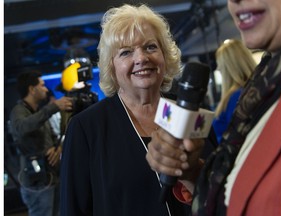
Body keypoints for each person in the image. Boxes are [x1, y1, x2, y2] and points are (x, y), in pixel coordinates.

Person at [146, 0, 281, 215]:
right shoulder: (264, 82)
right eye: (125, 52)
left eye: (150, 47)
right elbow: (237, 188)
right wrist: (191, 171)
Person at [60, 4, 197, 216]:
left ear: (165, 55)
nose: (141, 58)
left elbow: (218, 188)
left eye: (151, 47)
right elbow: (73, 209)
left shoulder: (186, 112)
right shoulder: (86, 128)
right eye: (126, 52)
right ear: (112, 67)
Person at [9, 70, 73, 216]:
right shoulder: (18, 112)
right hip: (37, 183)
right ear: (32, 89)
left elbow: (54, 137)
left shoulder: (37, 112)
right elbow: (23, 127)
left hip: (51, 177)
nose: (45, 89)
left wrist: (58, 149)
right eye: (42, 85)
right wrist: (53, 107)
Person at [212, 39, 256, 143]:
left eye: (220, 64)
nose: (218, 69)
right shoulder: (254, 89)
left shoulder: (235, 96)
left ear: (229, 66)